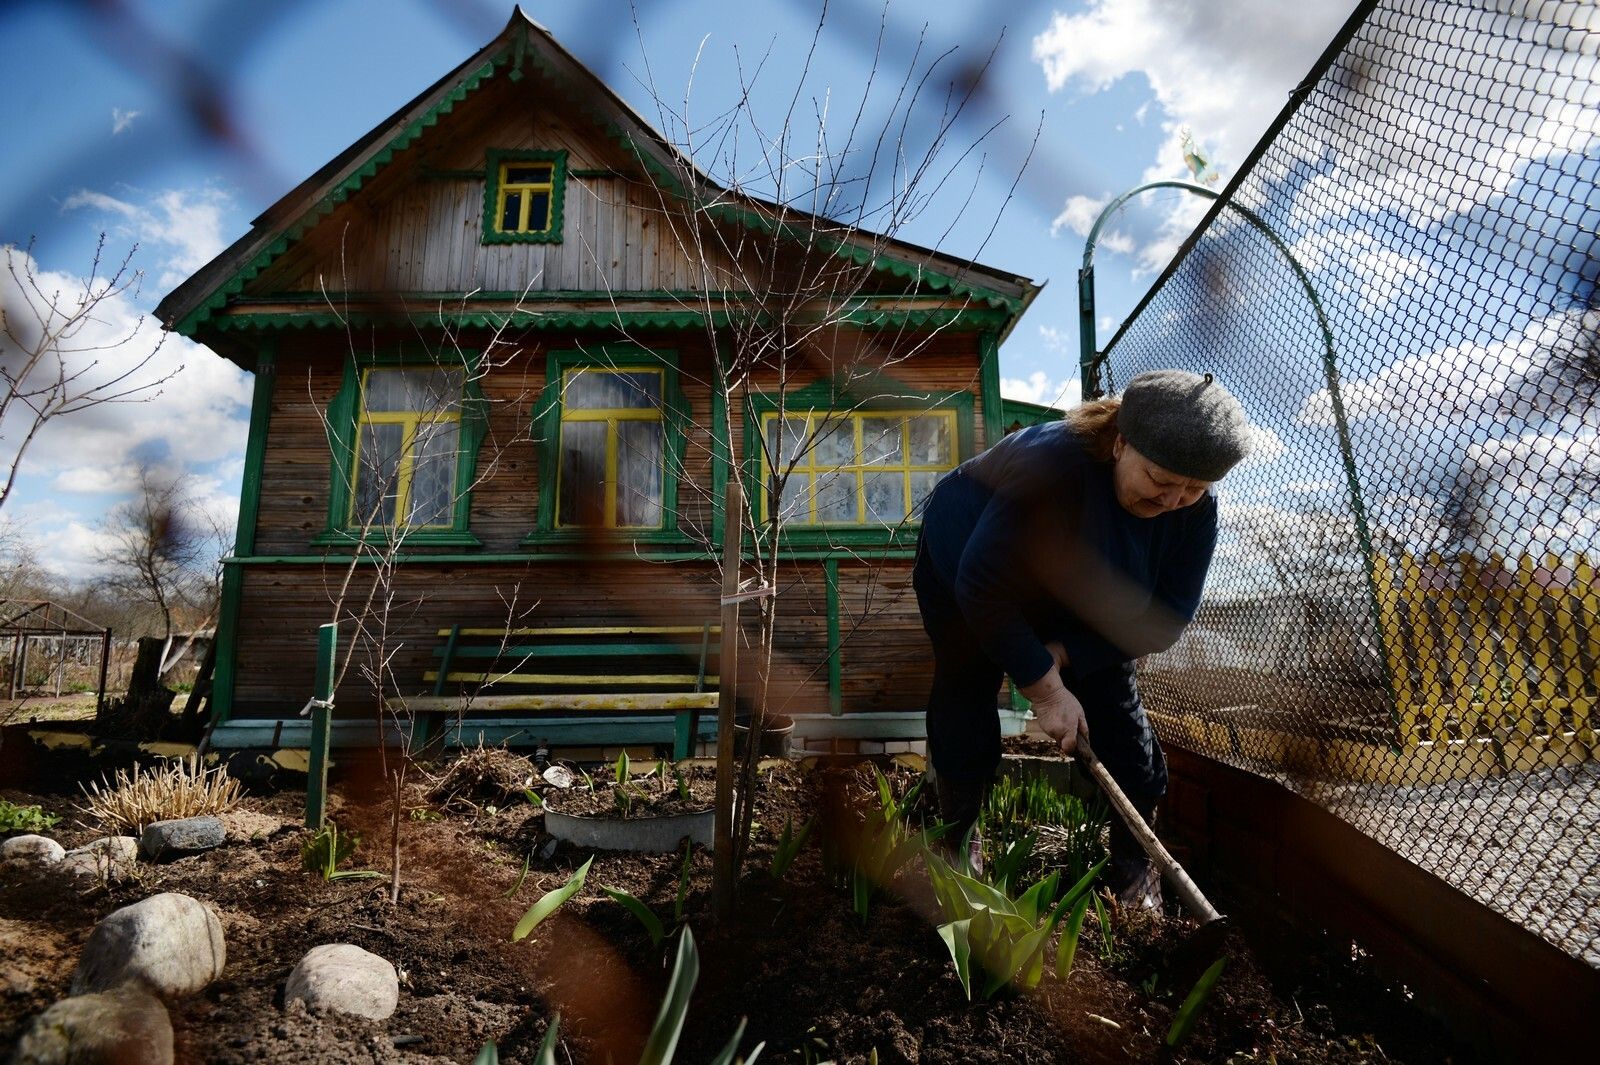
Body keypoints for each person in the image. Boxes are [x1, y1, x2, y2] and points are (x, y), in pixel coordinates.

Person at [912, 369, 1251, 908]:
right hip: (967, 570)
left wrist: (1070, 653)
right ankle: (956, 837)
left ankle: (1135, 868)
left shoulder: (1193, 513)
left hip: (1077, 600)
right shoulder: (1051, 466)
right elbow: (982, 583)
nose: (1172, 500)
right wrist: (1045, 688)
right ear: (1120, 443)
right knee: (967, 686)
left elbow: (1164, 618)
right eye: (1160, 479)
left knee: (1118, 720)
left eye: (1193, 489)